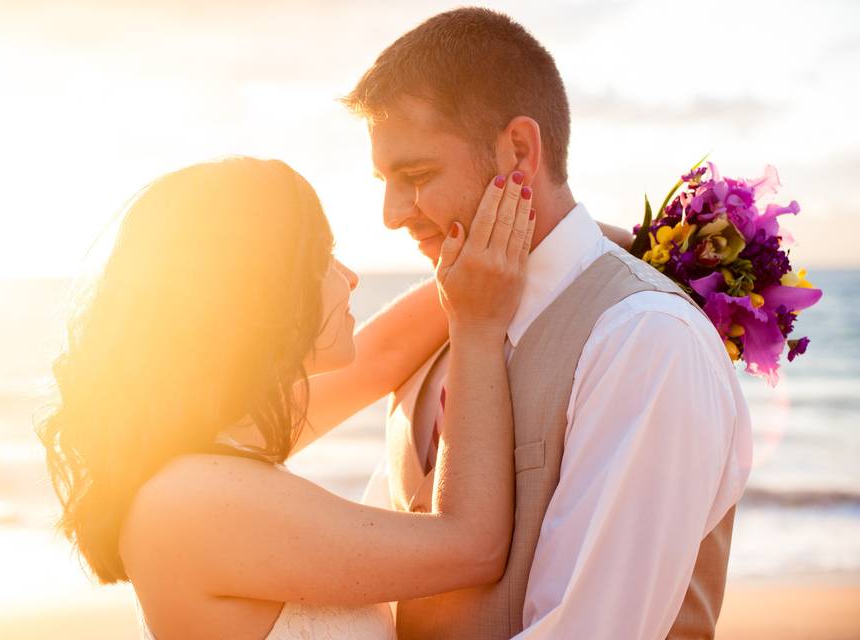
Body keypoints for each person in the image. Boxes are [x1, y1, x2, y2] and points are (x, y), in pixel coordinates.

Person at [342, 7, 753, 639]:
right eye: (385, 180)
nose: (393, 214)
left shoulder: (646, 339)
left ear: (520, 151)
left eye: (417, 176)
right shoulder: (443, 332)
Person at [38, 156, 536, 639]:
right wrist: (477, 328)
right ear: (258, 287)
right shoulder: (192, 499)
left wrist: (551, 242)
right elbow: (473, 546)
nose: (350, 276)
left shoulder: (215, 438)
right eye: (322, 256)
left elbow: (382, 357)